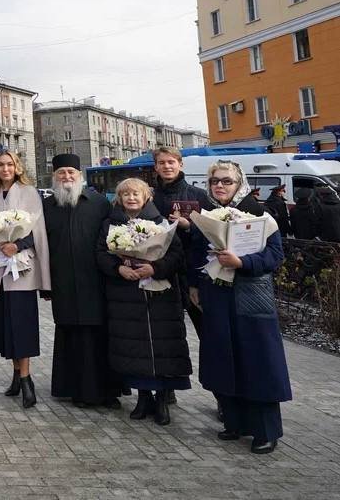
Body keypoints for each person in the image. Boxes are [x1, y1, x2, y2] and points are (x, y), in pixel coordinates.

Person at [190, 159, 291, 454]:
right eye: (214, 181)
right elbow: (195, 253)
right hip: (217, 296)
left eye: (227, 181)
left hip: (250, 296)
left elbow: (275, 256)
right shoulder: (206, 215)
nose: (219, 186)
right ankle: (234, 422)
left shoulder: (260, 214)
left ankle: (265, 431)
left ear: (239, 183)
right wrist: (194, 285)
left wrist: (242, 262)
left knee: (258, 361)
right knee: (223, 358)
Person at [97, 178, 191, 426]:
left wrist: (155, 268)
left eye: (136, 193)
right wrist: (118, 269)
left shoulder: (161, 223)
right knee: (134, 346)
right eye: (126, 194)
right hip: (125, 296)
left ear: (146, 197)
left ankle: (162, 399)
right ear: (119, 198)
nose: (131, 198)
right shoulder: (110, 224)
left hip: (159, 296)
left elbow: (176, 254)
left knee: (161, 346)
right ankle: (143, 396)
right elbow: (101, 253)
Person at [43, 154, 121, 409]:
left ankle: (105, 391)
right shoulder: (47, 206)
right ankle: (73, 389)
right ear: (54, 176)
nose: (66, 177)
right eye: (61, 173)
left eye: (71, 172)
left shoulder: (99, 203)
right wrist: (45, 283)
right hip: (63, 282)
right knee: (70, 335)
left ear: (79, 175)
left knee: (98, 335)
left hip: (95, 281)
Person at [0, 151, 50, 408]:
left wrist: (18, 245)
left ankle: (26, 380)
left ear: (17, 167)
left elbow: (36, 229)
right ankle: (15, 375)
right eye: (0, 164)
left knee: (22, 325)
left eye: (9, 164)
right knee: (5, 326)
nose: (5, 168)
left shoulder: (29, 192)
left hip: (21, 268)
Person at [150, 146, 215, 414]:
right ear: (156, 167)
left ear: (180, 164)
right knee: (164, 334)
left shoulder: (198, 196)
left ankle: (222, 396)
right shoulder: (150, 197)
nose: (167, 167)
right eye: (162, 163)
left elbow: (215, 232)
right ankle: (166, 389)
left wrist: (191, 226)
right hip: (162, 273)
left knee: (209, 336)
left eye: (171, 162)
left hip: (194, 275)